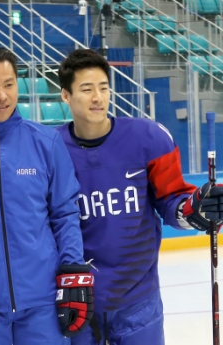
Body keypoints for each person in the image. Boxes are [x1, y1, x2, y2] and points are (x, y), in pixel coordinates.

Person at [55, 48, 223, 345]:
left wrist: (194, 210)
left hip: (138, 301)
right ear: (65, 95)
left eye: (104, 88)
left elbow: (172, 202)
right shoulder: (50, 149)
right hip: (76, 299)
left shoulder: (149, 138)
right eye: (86, 89)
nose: (98, 97)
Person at [0, 46, 94, 345]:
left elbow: (65, 213)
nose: (2, 96)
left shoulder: (46, 142)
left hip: (43, 302)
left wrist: (71, 271)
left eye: (9, 84)